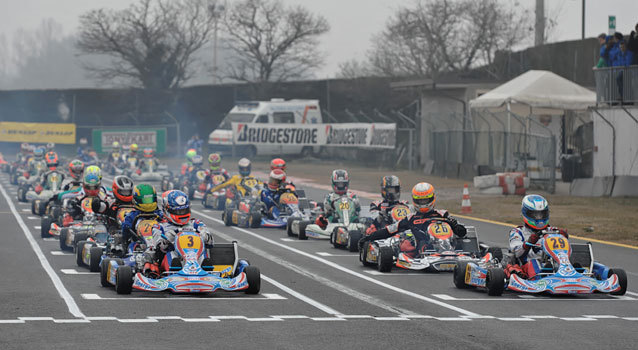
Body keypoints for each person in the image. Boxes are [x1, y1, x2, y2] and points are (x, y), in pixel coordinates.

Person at [358, 183, 467, 256]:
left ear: (432, 198)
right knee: (406, 243)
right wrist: (369, 238)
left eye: (426, 200)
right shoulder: (411, 218)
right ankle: (427, 250)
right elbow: (388, 231)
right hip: (423, 247)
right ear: (415, 200)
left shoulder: (443, 213)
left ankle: (449, 250)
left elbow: (462, 232)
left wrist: (456, 226)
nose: (423, 204)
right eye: (421, 201)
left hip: (449, 244)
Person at [143, 190, 213, 277]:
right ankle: (174, 271)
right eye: (178, 211)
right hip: (174, 258)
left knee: (203, 251)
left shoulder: (196, 223)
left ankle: (206, 270)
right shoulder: (159, 227)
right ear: (167, 210)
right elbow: (159, 248)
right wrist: (168, 238)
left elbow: (210, 242)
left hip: (195, 256)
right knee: (171, 253)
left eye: (184, 210)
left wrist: (205, 235)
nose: (182, 214)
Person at [506, 194, 568, 279]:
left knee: (563, 261)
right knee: (534, 263)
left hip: (553, 262)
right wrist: (529, 243)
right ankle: (542, 276)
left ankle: (573, 273)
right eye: (535, 215)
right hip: (528, 265)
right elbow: (517, 253)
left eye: (542, 214)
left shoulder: (553, 230)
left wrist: (564, 236)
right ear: (526, 213)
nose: (539, 218)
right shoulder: (518, 232)